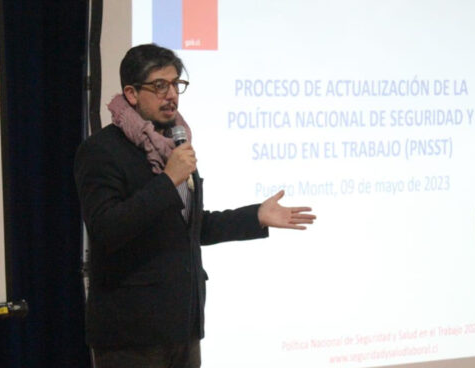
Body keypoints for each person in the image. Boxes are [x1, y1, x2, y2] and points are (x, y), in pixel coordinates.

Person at [74, 43, 316, 368]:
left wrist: (255, 216)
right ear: (131, 94)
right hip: (131, 334)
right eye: (159, 86)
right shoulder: (102, 151)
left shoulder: (174, 145)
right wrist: (168, 180)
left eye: (176, 84)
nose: (171, 95)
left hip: (183, 326)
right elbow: (106, 229)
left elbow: (189, 227)